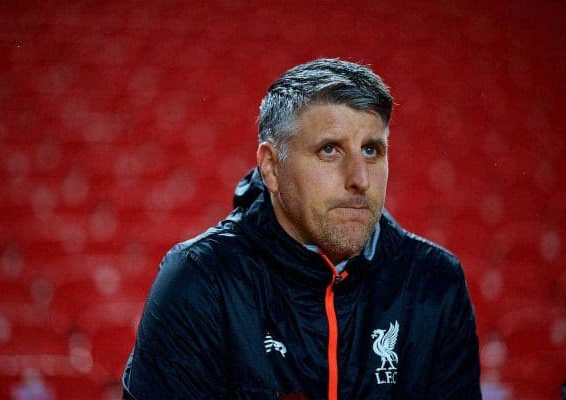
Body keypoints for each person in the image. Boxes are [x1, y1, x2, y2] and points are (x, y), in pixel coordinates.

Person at [122, 59, 481, 399]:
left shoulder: (435, 283)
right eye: (329, 150)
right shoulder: (200, 281)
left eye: (371, 150)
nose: (360, 179)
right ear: (272, 168)